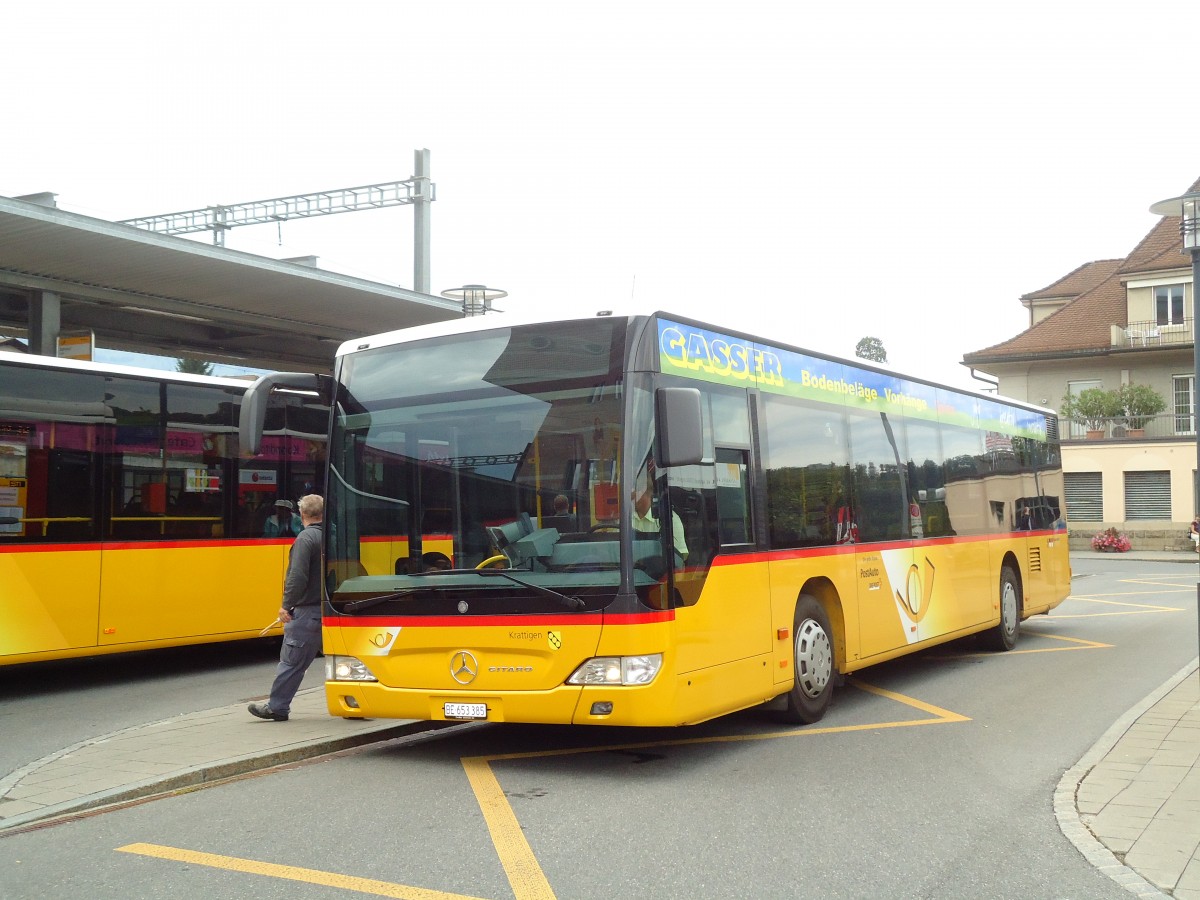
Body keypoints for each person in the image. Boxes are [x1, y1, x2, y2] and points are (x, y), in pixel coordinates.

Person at [249, 494, 325, 722]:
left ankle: (277, 707)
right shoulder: (334, 534)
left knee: (291, 662)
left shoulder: (306, 538)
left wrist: (286, 605)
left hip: (308, 612)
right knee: (346, 660)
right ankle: (358, 704)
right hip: (333, 609)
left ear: (302, 514)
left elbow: (297, 577)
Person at [632, 458, 688, 563]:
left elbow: (679, 563)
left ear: (642, 491)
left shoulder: (670, 520)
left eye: (632, 491)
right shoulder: (624, 519)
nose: (629, 496)